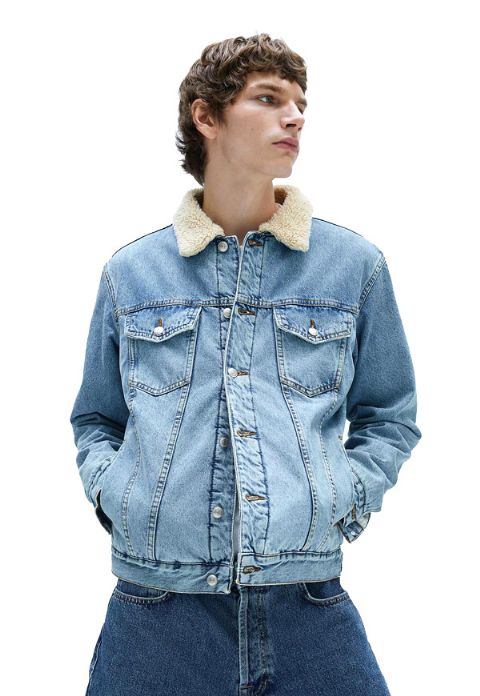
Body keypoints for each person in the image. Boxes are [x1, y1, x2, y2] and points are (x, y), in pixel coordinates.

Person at [70, 32, 421, 696]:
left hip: (307, 604)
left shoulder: (353, 268)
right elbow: (96, 419)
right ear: (206, 116)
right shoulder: (131, 274)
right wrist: (119, 495)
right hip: (155, 611)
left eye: (300, 104)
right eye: (268, 99)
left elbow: (390, 416)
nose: (295, 117)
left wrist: (343, 499)